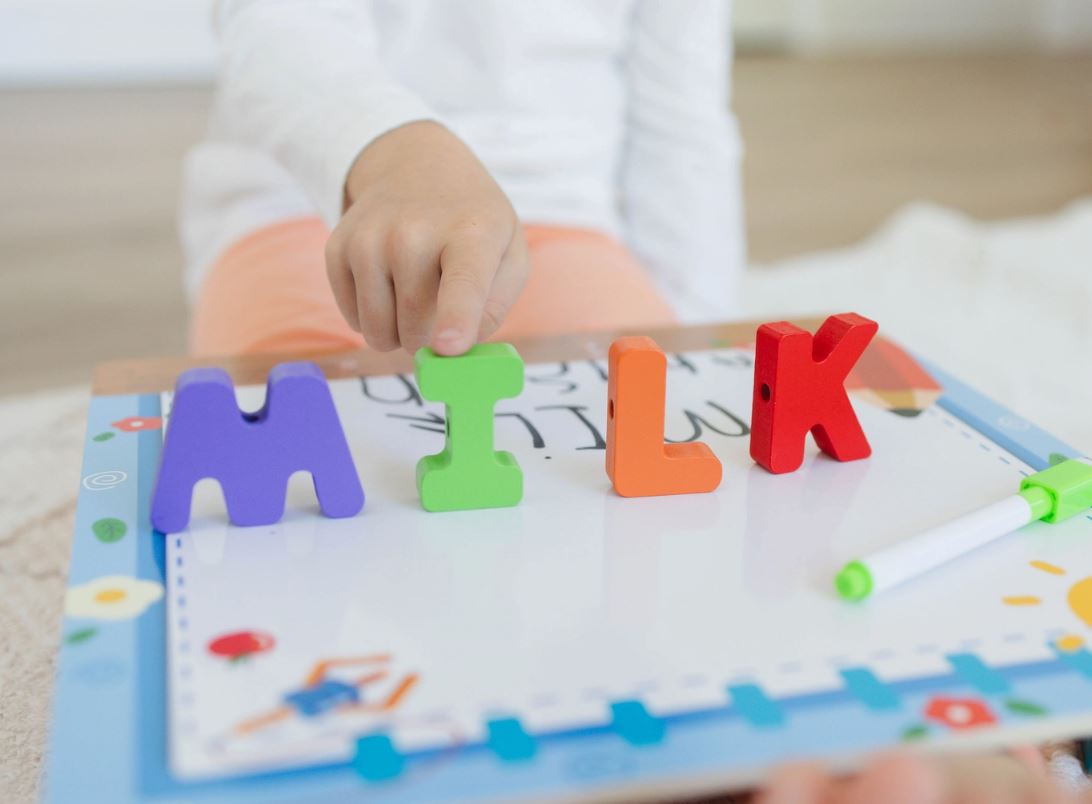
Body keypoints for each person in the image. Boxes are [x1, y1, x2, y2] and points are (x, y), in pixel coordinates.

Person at [181, 1, 743, 358]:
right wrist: (393, 148)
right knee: (275, 432)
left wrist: (701, 344)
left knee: (640, 394)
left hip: (555, 214)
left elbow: (682, 123)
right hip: (305, 198)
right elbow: (277, 23)